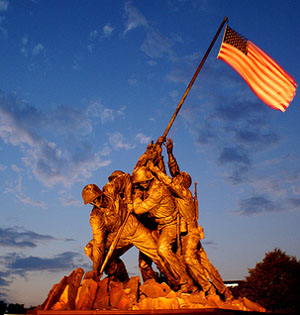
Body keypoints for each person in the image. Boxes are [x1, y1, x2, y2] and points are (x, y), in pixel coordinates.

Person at [150, 138, 233, 300]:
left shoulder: (184, 193)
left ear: (182, 183)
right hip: (184, 233)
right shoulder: (176, 192)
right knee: (203, 263)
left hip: (191, 232)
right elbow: (170, 173)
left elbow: (167, 180)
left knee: (189, 258)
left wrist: (155, 170)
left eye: (178, 178)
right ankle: (224, 291)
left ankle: (209, 289)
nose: (175, 178)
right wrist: (165, 154)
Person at [81, 172, 171, 283]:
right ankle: (120, 277)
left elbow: (126, 178)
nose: (97, 202)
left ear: (100, 193)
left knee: (158, 254)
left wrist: (128, 201)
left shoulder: (111, 189)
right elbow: (99, 243)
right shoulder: (96, 217)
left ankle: (175, 281)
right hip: (117, 237)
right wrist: (96, 269)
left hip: (134, 229)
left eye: (97, 198)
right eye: (92, 201)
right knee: (90, 248)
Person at [132, 166, 193, 292]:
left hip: (170, 225)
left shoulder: (158, 191)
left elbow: (138, 209)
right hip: (160, 226)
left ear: (146, 181)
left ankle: (185, 282)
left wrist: (136, 196)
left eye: (139, 184)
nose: (139, 187)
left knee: (163, 249)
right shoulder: (151, 188)